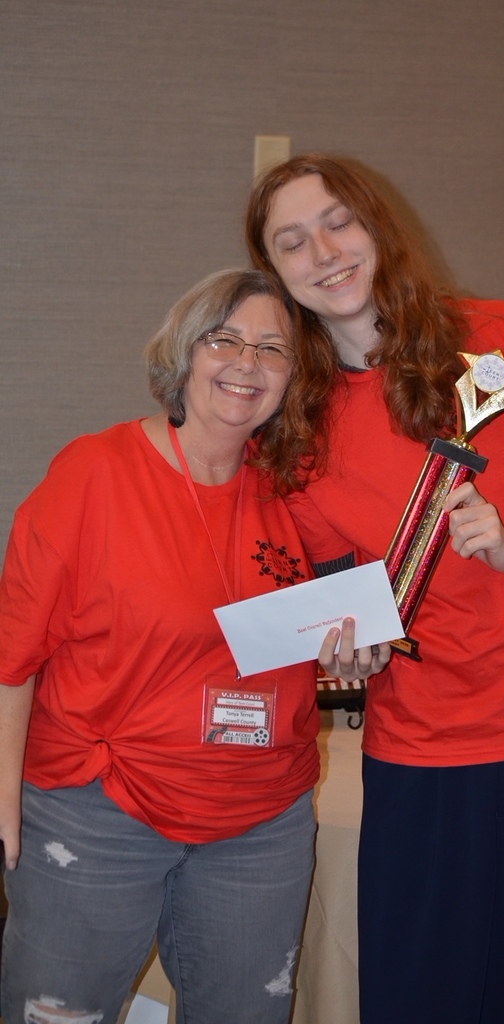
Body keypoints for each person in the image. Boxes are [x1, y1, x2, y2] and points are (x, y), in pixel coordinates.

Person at [245, 155, 504, 1024]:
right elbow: (330, 598)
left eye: (338, 223)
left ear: (377, 228)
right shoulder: (296, 428)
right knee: (416, 998)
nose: (324, 251)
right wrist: (345, 648)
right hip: (421, 757)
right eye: (292, 243)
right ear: (277, 275)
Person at [0, 268, 390, 1024]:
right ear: (183, 353)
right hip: (100, 809)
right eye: (226, 340)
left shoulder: (295, 492)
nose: (248, 363)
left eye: (273, 349)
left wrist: (355, 652)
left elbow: (331, 623)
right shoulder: (94, 475)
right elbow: (11, 656)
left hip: (262, 823)